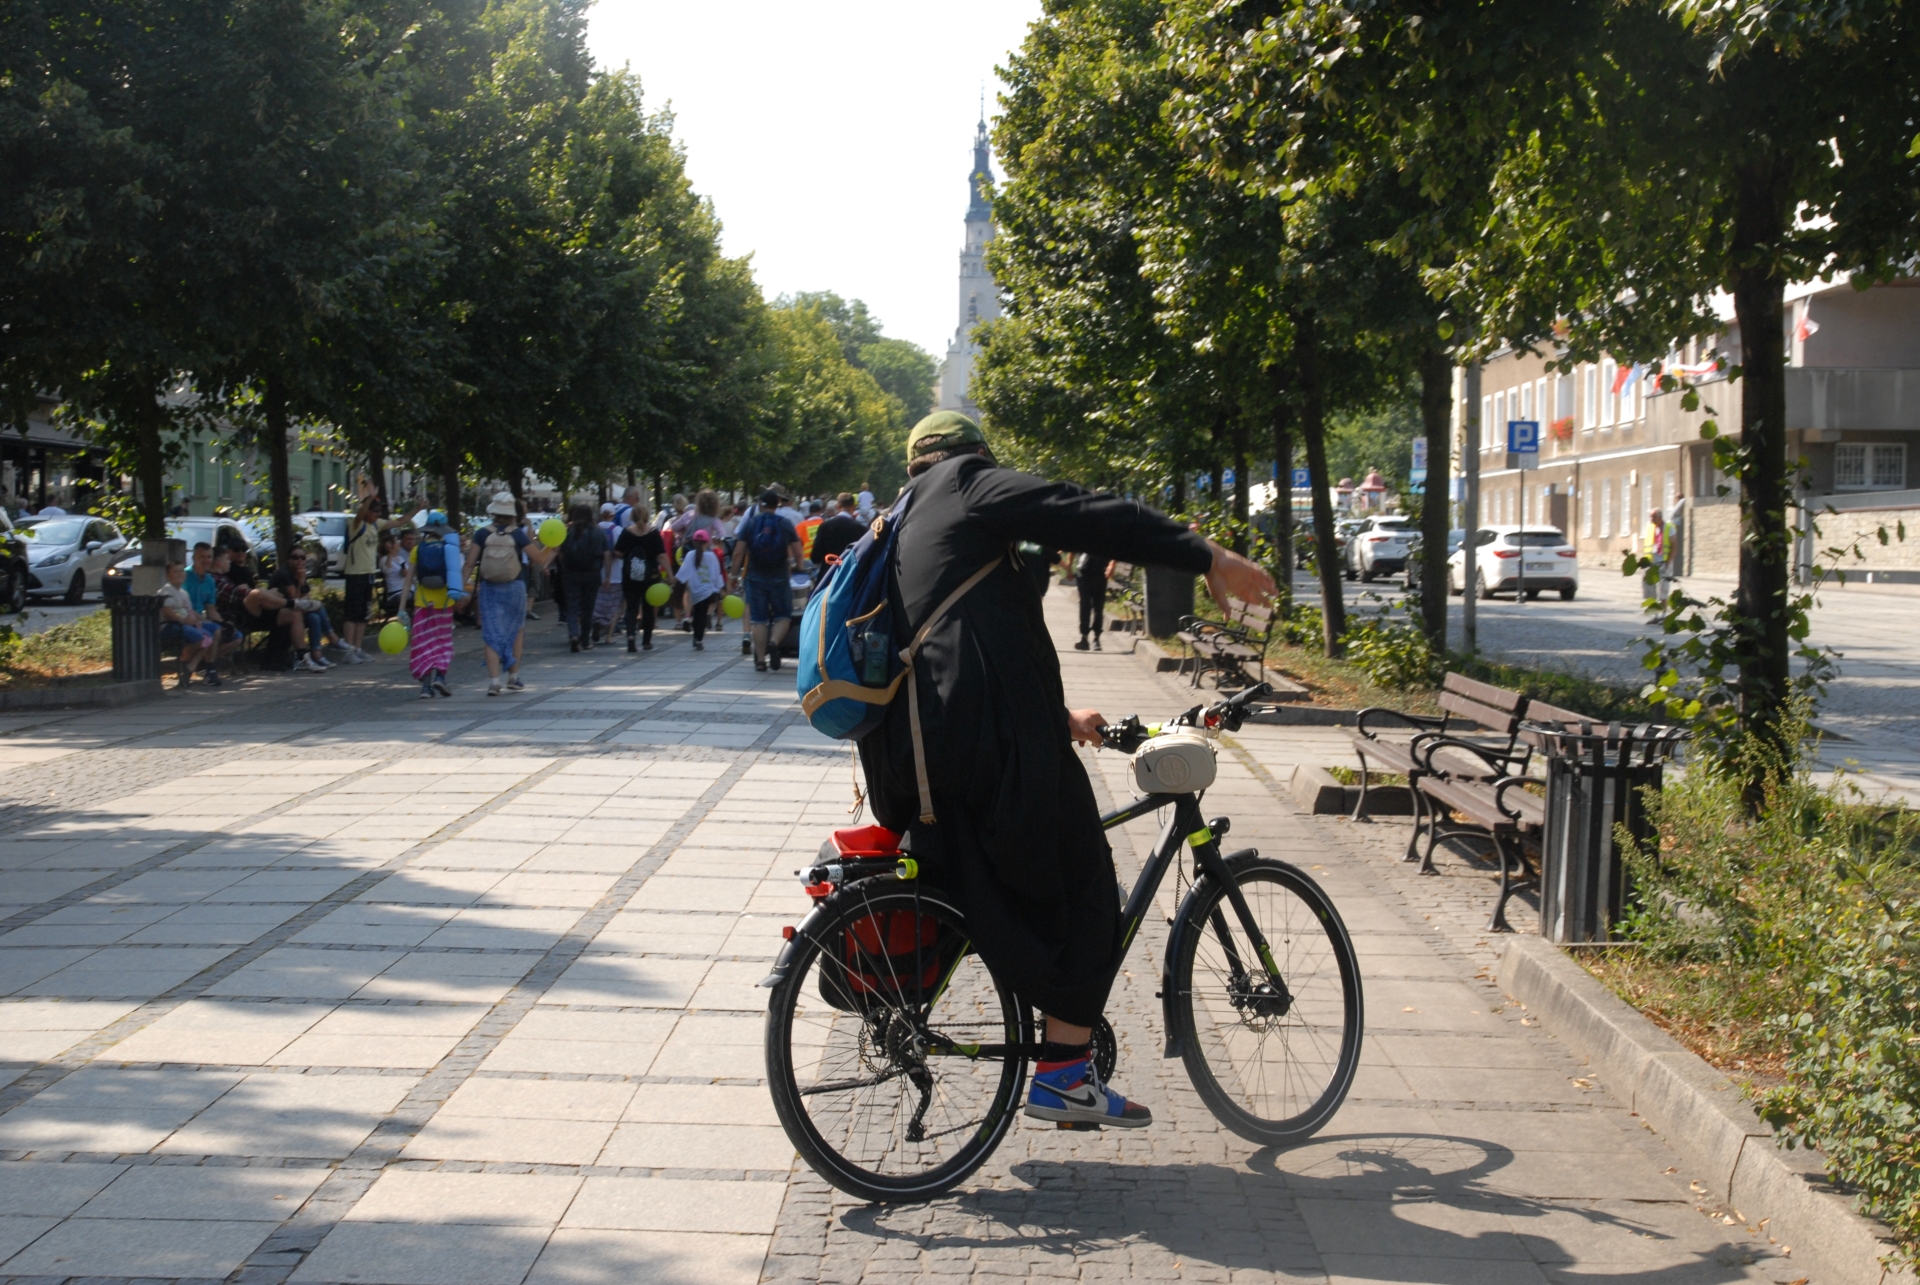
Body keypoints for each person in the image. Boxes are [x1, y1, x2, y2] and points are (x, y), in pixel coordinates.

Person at [855, 411, 1273, 1130]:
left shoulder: (900, 518)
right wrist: (1201, 552)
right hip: (983, 752)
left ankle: (1021, 1033)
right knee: (1087, 891)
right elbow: (1080, 512)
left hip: (914, 761)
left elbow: (974, 635)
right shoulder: (969, 485)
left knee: (998, 896)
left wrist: (1058, 715)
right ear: (975, 456)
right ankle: (1063, 1075)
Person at [470, 492, 556, 695]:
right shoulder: (517, 534)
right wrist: (551, 545)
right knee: (517, 630)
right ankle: (513, 677)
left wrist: (458, 587)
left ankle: (494, 682)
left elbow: (469, 563)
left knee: (491, 633)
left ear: (494, 512)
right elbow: (538, 559)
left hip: (489, 587)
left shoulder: (481, 534)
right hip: (514, 586)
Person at [728, 488, 803, 672]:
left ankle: (761, 660)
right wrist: (798, 566)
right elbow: (798, 551)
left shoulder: (751, 523)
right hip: (780, 576)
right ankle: (774, 642)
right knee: (783, 616)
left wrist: (733, 575)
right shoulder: (784, 523)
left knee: (758, 619)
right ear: (777, 505)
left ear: (760, 505)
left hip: (755, 576)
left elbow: (738, 552)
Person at [400, 511, 465, 697]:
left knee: (424, 644)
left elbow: (408, 580)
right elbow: (455, 577)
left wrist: (402, 608)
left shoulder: (417, 550)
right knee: (442, 641)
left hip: (422, 605)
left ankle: (426, 687)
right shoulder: (448, 550)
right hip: (444, 605)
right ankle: (441, 677)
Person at [339, 492, 391, 663]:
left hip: (369, 574)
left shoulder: (376, 525)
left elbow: (399, 522)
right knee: (352, 614)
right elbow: (360, 513)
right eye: (375, 510)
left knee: (363, 615)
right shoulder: (357, 525)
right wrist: (370, 497)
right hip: (355, 574)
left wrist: (418, 509)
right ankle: (349, 651)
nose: (378, 514)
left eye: (379, 511)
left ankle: (358, 648)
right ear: (367, 510)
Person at [612, 503, 669, 651]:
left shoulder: (626, 532)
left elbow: (617, 552)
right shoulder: (653, 533)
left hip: (630, 575)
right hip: (650, 576)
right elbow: (662, 556)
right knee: (648, 608)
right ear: (647, 515)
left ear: (632, 516)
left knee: (631, 607)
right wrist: (671, 574)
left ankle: (631, 635)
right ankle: (646, 641)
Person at [269, 548, 332, 673]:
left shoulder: (300, 572)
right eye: (295, 557)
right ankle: (333, 639)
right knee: (316, 607)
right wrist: (301, 581)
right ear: (288, 559)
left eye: (302, 558)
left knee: (314, 617)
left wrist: (302, 585)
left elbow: (306, 596)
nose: (299, 560)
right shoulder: (284, 574)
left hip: (293, 609)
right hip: (277, 612)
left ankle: (317, 654)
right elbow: (295, 599)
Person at [158, 559, 219, 687]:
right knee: (202, 637)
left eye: (181, 571)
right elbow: (168, 613)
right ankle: (185, 664)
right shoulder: (166, 592)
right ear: (168, 575)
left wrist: (199, 620)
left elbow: (190, 611)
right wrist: (185, 621)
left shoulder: (183, 593)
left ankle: (190, 667)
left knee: (210, 635)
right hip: (171, 626)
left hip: (186, 624)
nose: (180, 574)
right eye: (175, 571)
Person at [557, 502, 607, 652]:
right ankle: (585, 640)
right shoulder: (598, 532)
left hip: (571, 573)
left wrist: (565, 567)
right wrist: (608, 575)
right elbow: (605, 554)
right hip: (592, 573)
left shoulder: (568, 532)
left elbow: (560, 553)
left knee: (572, 606)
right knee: (588, 608)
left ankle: (573, 634)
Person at [674, 529, 726, 651]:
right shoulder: (712, 556)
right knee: (702, 615)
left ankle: (695, 635)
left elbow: (683, 573)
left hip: (695, 591)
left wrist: (673, 580)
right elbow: (717, 574)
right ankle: (698, 639)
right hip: (707, 591)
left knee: (697, 613)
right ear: (707, 542)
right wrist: (720, 588)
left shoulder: (690, 555)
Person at [593, 503, 624, 644]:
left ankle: (597, 622)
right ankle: (609, 636)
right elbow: (622, 551)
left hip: (597, 572)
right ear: (613, 515)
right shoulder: (618, 530)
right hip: (616, 573)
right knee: (614, 605)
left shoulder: (595, 530)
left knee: (598, 602)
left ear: (600, 514)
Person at [812, 493, 865, 571]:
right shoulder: (860, 528)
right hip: (849, 572)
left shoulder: (825, 526)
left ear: (837, 506)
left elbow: (815, 556)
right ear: (854, 507)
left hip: (828, 572)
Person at [1073, 552, 1113, 651]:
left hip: (1097, 571)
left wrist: (1112, 564)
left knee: (1096, 606)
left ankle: (1093, 638)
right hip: (1087, 571)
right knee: (1087, 605)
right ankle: (1088, 638)